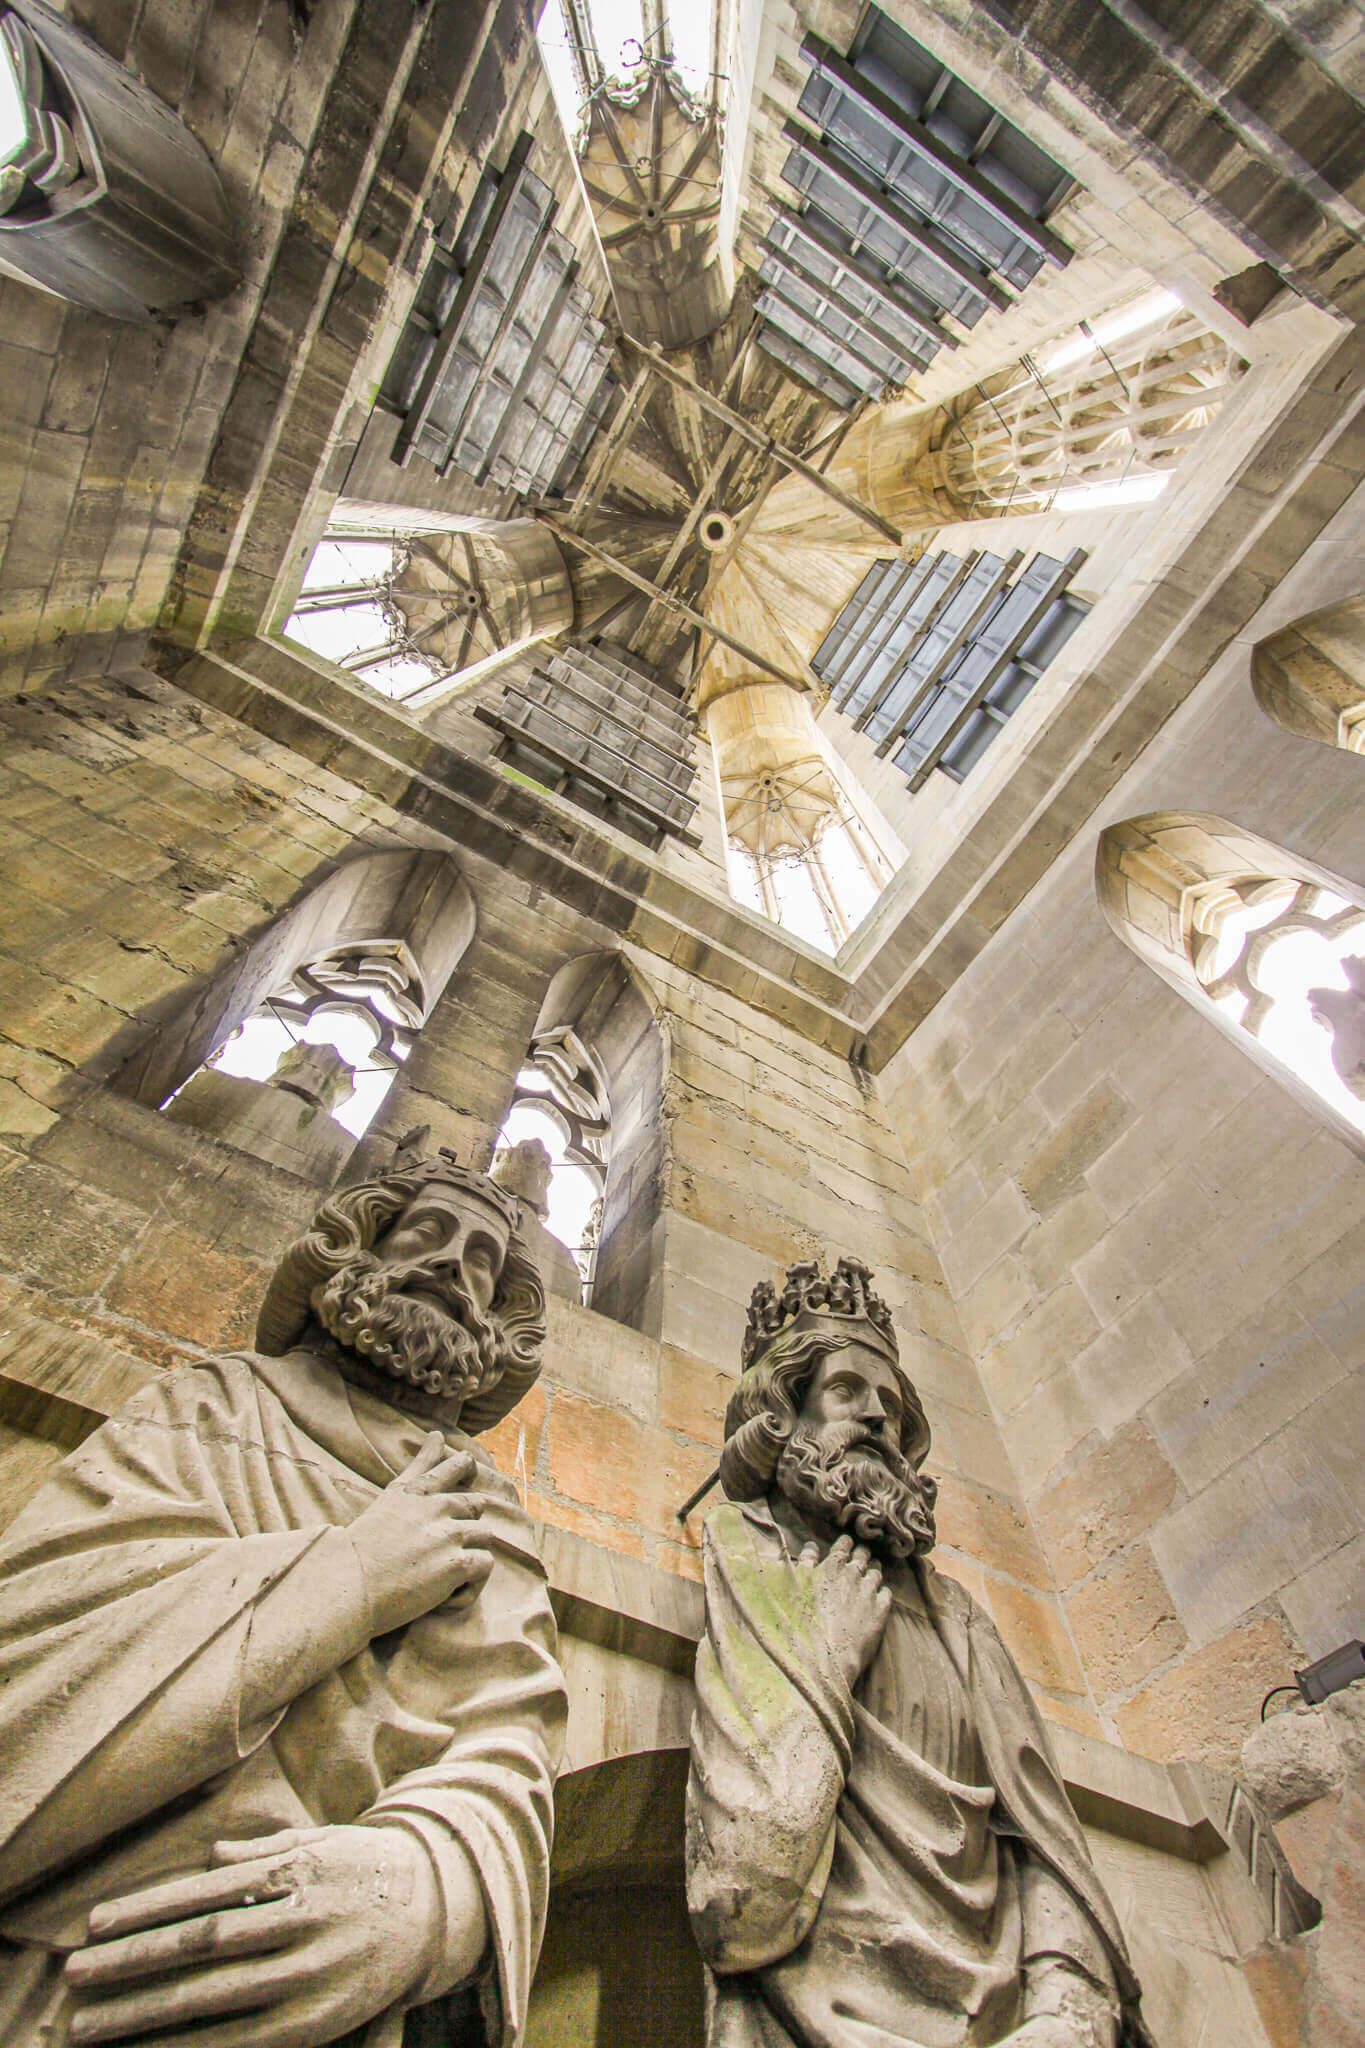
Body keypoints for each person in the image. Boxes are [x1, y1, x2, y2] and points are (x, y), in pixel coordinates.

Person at [0, 1147, 566, 2048]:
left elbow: (506, 1749)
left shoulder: (481, 1503)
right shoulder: (217, 1406)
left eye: (483, 1262)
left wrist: (419, 1889)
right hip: (82, 1948)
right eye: (427, 1231)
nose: (452, 1268)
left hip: (319, 1980)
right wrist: (352, 1577)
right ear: (360, 1246)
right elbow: (46, 1642)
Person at [685, 1257, 1153, 2048]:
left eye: (892, 1406)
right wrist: (826, 1662)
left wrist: (1066, 1998)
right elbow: (740, 1905)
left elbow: (1042, 1847)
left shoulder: (957, 1619)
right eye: (845, 1390)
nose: (876, 1416)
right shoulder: (749, 1553)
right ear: (784, 1410)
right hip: (822, 2013)